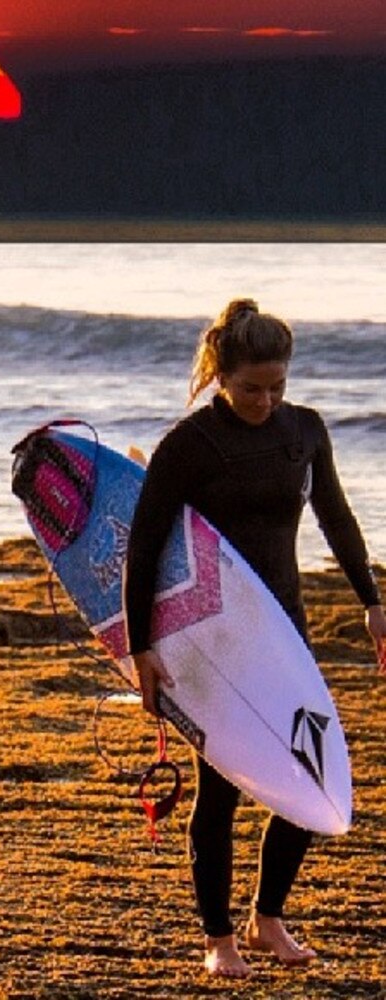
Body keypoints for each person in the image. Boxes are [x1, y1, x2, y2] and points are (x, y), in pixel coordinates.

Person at [123, 298, 386, 979]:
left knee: (308, 773)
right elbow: (145, 545)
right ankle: (219, 940)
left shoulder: (304, 431)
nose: (266, 400)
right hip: (212, 643)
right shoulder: (189, 445)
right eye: (251, 388)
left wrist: (371, 601)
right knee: (222, 792)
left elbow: (335, 517)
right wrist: (141, 646)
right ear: (220, 374)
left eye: (278, 386)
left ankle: (267, 917)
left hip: (285, 632)